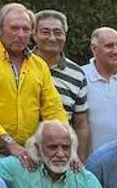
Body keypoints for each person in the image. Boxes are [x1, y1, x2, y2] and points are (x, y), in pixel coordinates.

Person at [0, 3, 67, 167]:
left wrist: (66, 143)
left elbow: (53, 107)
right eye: (14, 28)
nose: (20, 34)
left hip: (27, 153)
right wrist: (9, 143)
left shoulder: (39, 65)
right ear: (0, 29)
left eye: (26, 29)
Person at [33, 10, 90, 159]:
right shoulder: (19, 66)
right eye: (45, 32)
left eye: (58, 32)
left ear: (65, 36)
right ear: (34, 35)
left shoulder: (77, 74)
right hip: (24, 156)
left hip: (59, 157)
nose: (52, 38)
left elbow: (81, 124)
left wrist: (79, 159)